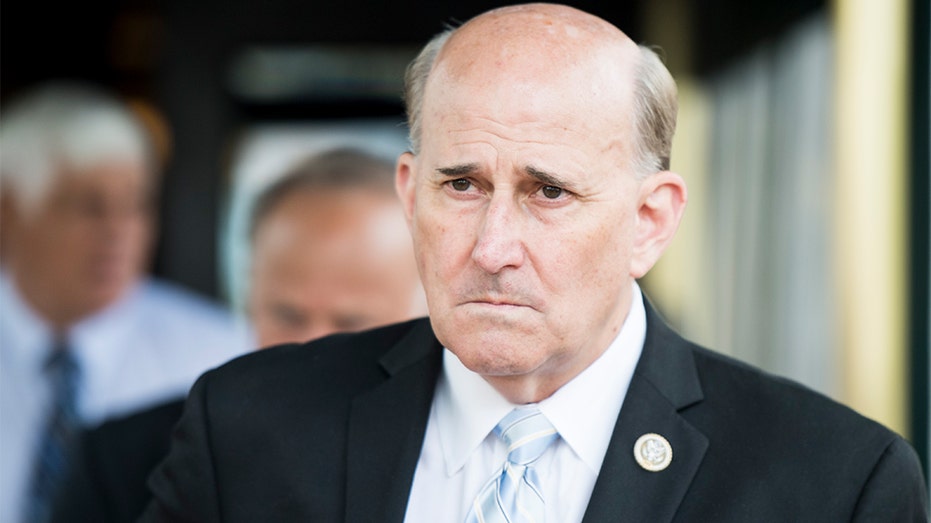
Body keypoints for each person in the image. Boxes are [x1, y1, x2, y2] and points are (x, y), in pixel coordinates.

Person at [141, 4, 930, 522]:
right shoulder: (245, 428)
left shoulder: (833, 483)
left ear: (649, 222)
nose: (491, 248)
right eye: (461, 185)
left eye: (548, 191)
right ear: (409, 194)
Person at [49, 146, 426, 522]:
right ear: (247, 297)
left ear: (424, 316)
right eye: (287, 315)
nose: (313, 344)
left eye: (350, 323)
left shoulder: (452, 457)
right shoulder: (123, 464)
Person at [0, 81, 253, 523]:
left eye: (137, 206)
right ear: (10, 211)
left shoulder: (216, 353)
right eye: (89, 207)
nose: (118, 232)